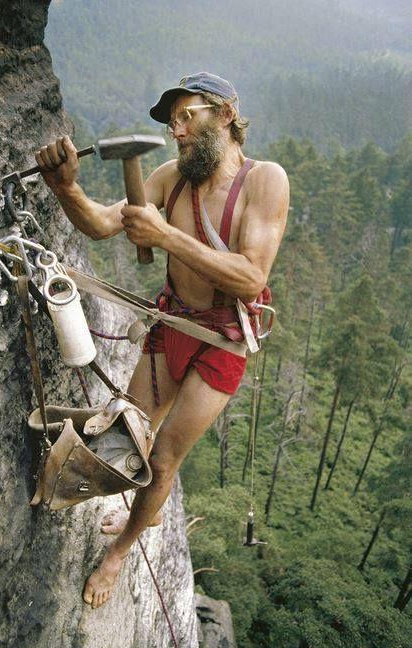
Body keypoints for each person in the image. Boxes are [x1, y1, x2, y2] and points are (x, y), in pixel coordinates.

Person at [35, 72, 289, 608]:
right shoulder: (172, 177)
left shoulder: (265, 181)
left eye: (187, 116)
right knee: (131, 430)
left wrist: (167, 236)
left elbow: (250, 276)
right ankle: (132, 512)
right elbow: (104, 224)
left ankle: (122, 549)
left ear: (225, 113)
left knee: (167, 455)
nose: (176, 131)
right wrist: (67, 188)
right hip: (172, 321)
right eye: (171, 122)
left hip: (222, 339)